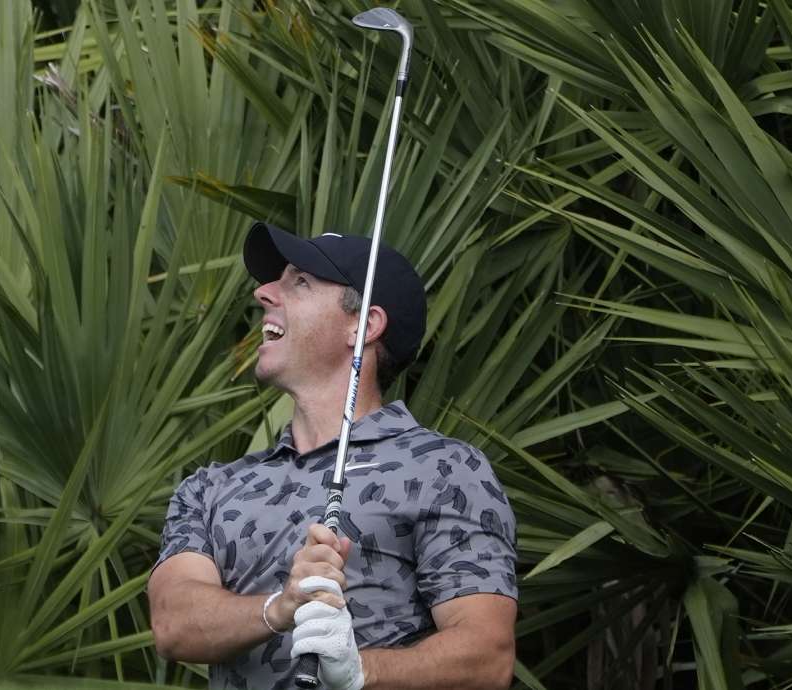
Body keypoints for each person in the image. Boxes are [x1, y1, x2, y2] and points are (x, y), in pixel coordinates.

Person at [148, 222, 519, 690]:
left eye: (300, 282)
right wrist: (279, 607)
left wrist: (362, 671)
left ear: (363, 326)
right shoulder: (210, 487)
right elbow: (173, 623)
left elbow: (487, 657)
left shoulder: (444, 469)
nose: (263, 292)